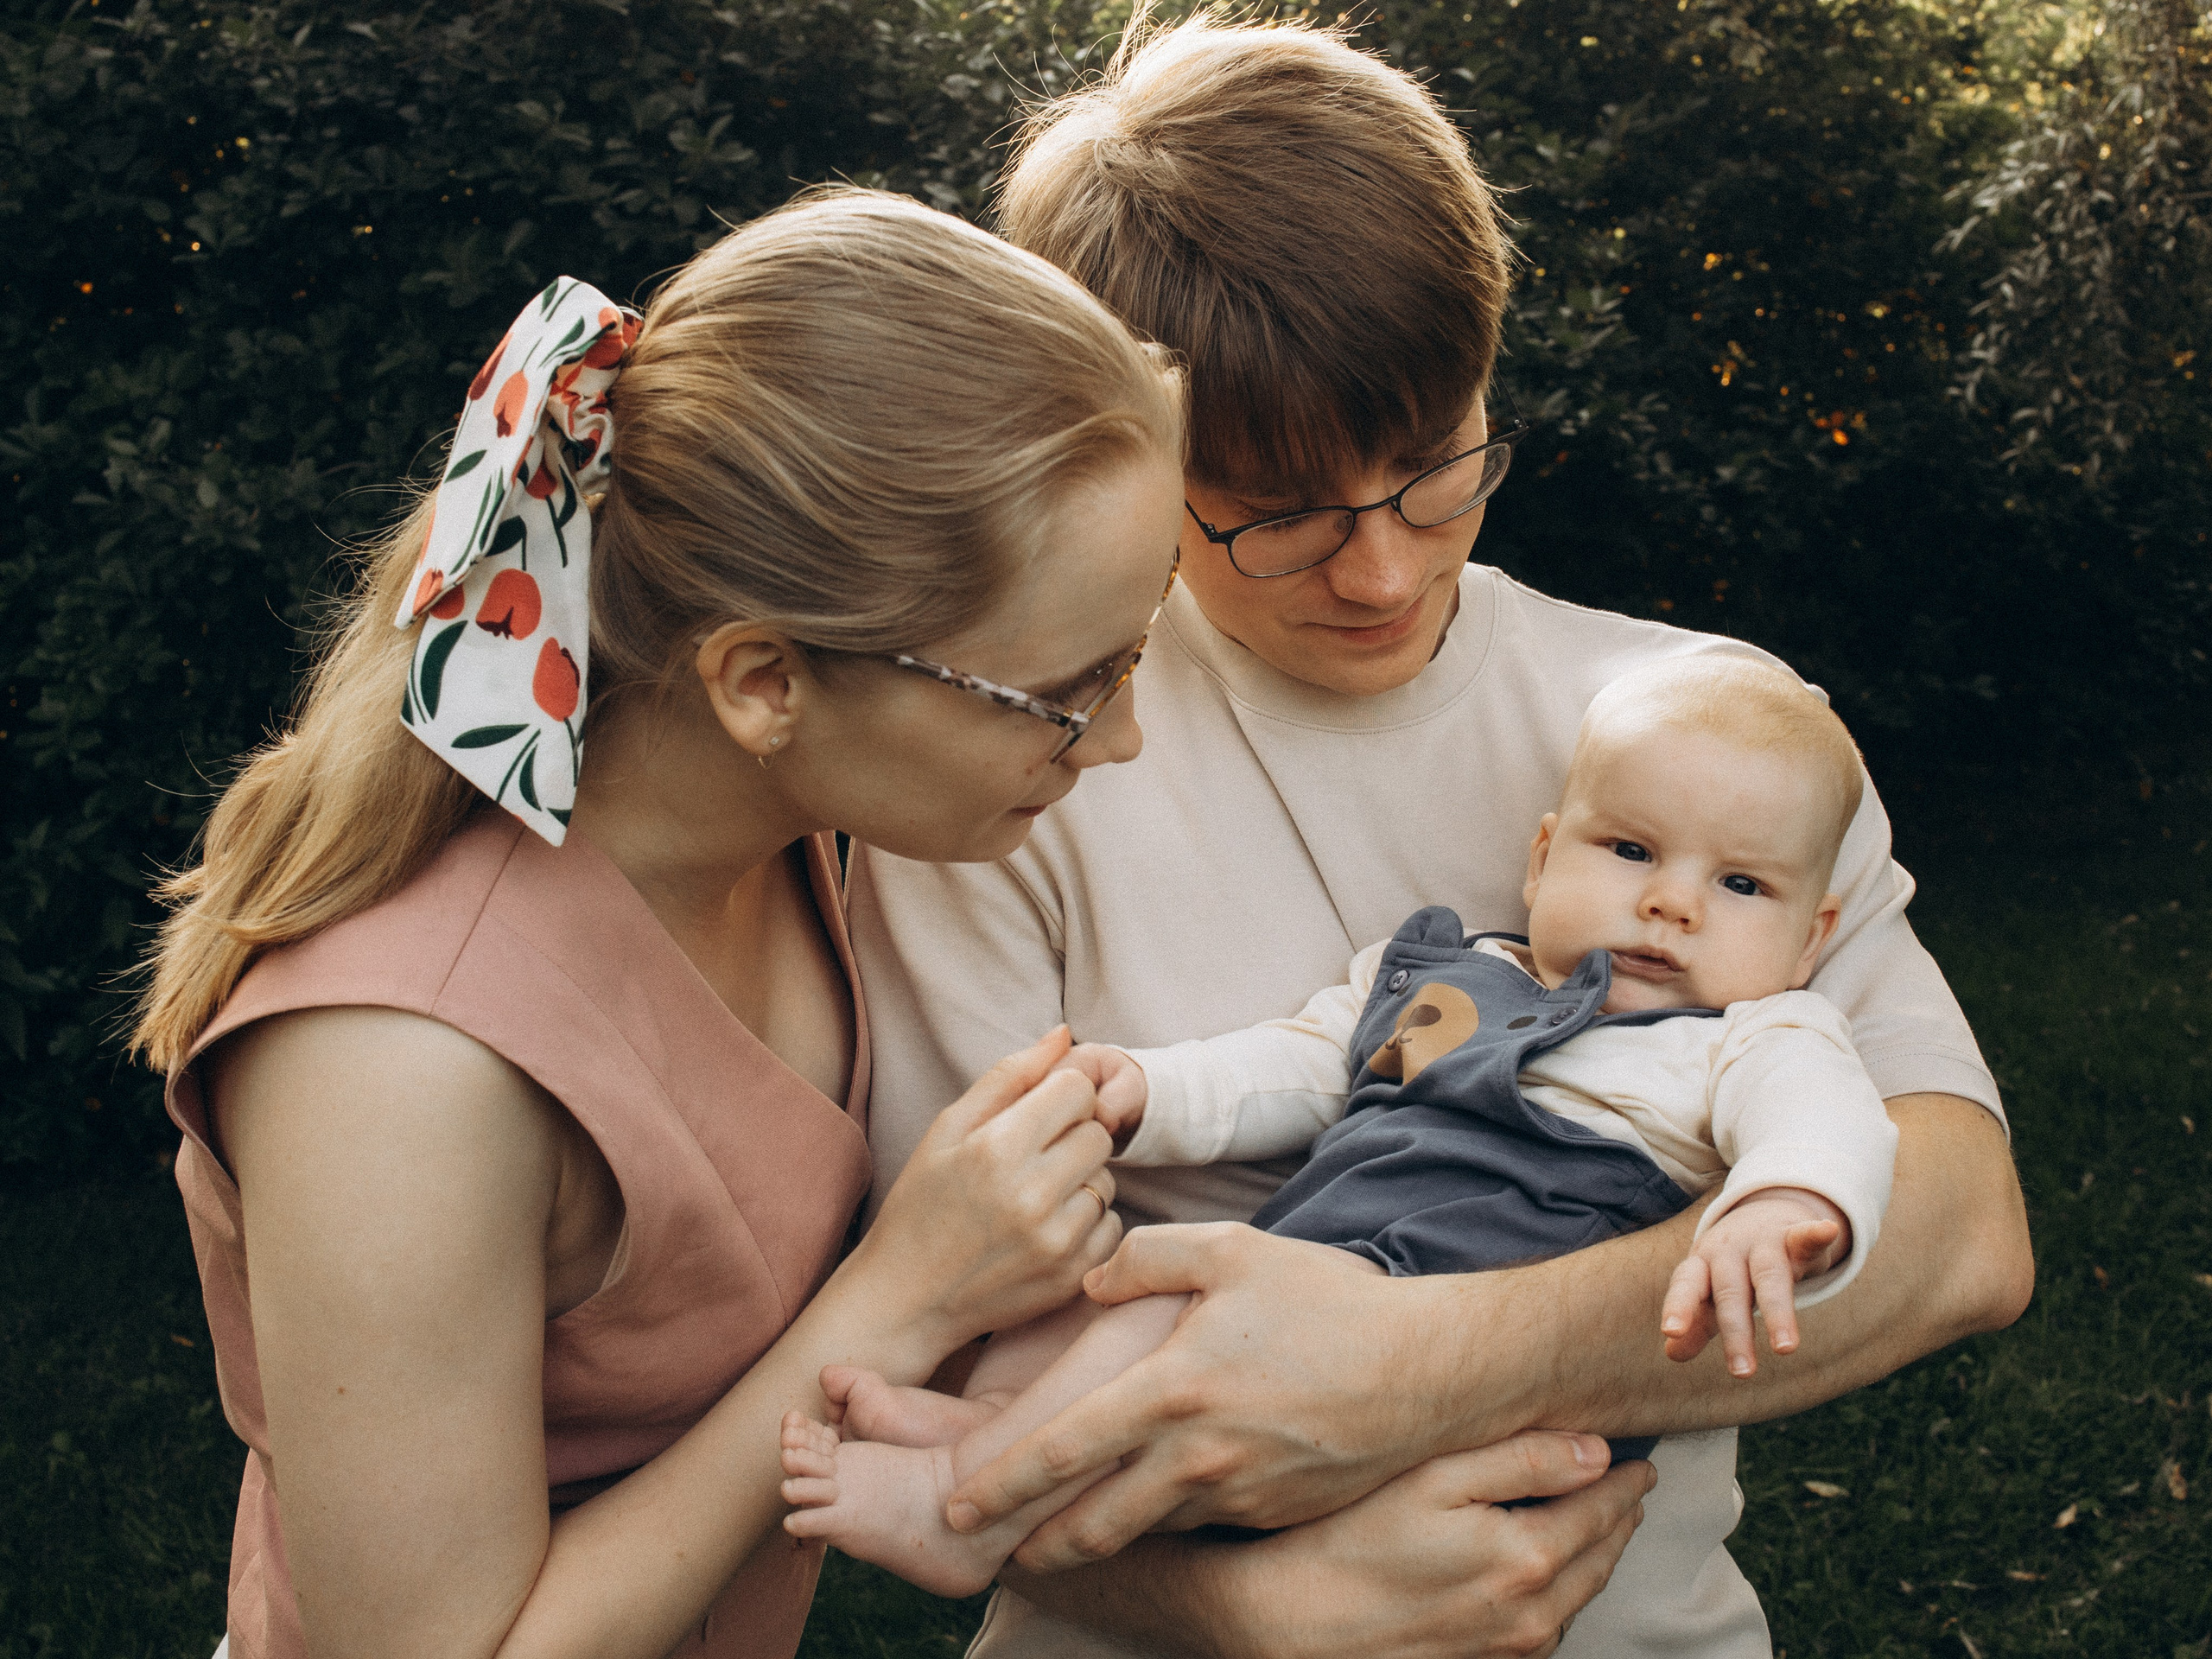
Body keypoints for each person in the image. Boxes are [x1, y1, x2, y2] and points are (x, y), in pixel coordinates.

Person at [848, 16, 2034, 1659]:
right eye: (1274, 513)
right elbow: (955, 1350)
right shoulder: (999, 773)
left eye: (1434, 467)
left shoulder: (1708, 741)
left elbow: (1959, 1232)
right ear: (1120, 445)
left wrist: (1419, 1367)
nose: (1385, 573)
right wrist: (1260, 1603)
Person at [132, 188, 1188, 1659]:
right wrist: (890, 1302)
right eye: (1068, 692)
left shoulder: (795, 838)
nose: (1121, 739)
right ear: (763, 681)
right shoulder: (403, 1062)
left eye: (1138, 652)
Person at [785, 656, 1899, 1596]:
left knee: (1169, 1314)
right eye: (1632, 853)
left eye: (1743, 885)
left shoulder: (1754, 1037)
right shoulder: (1448, 978)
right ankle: (992, 1431)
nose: (1674, 903)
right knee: (1089, 1302)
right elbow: (1296, 1066)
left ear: (1813, 937)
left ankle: (964, 1512)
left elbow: (1828, 1121)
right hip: (1315, 1272)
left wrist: (1789, 1200)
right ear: (1545, 853)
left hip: (1450, 1340)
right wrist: (1146, 1092)